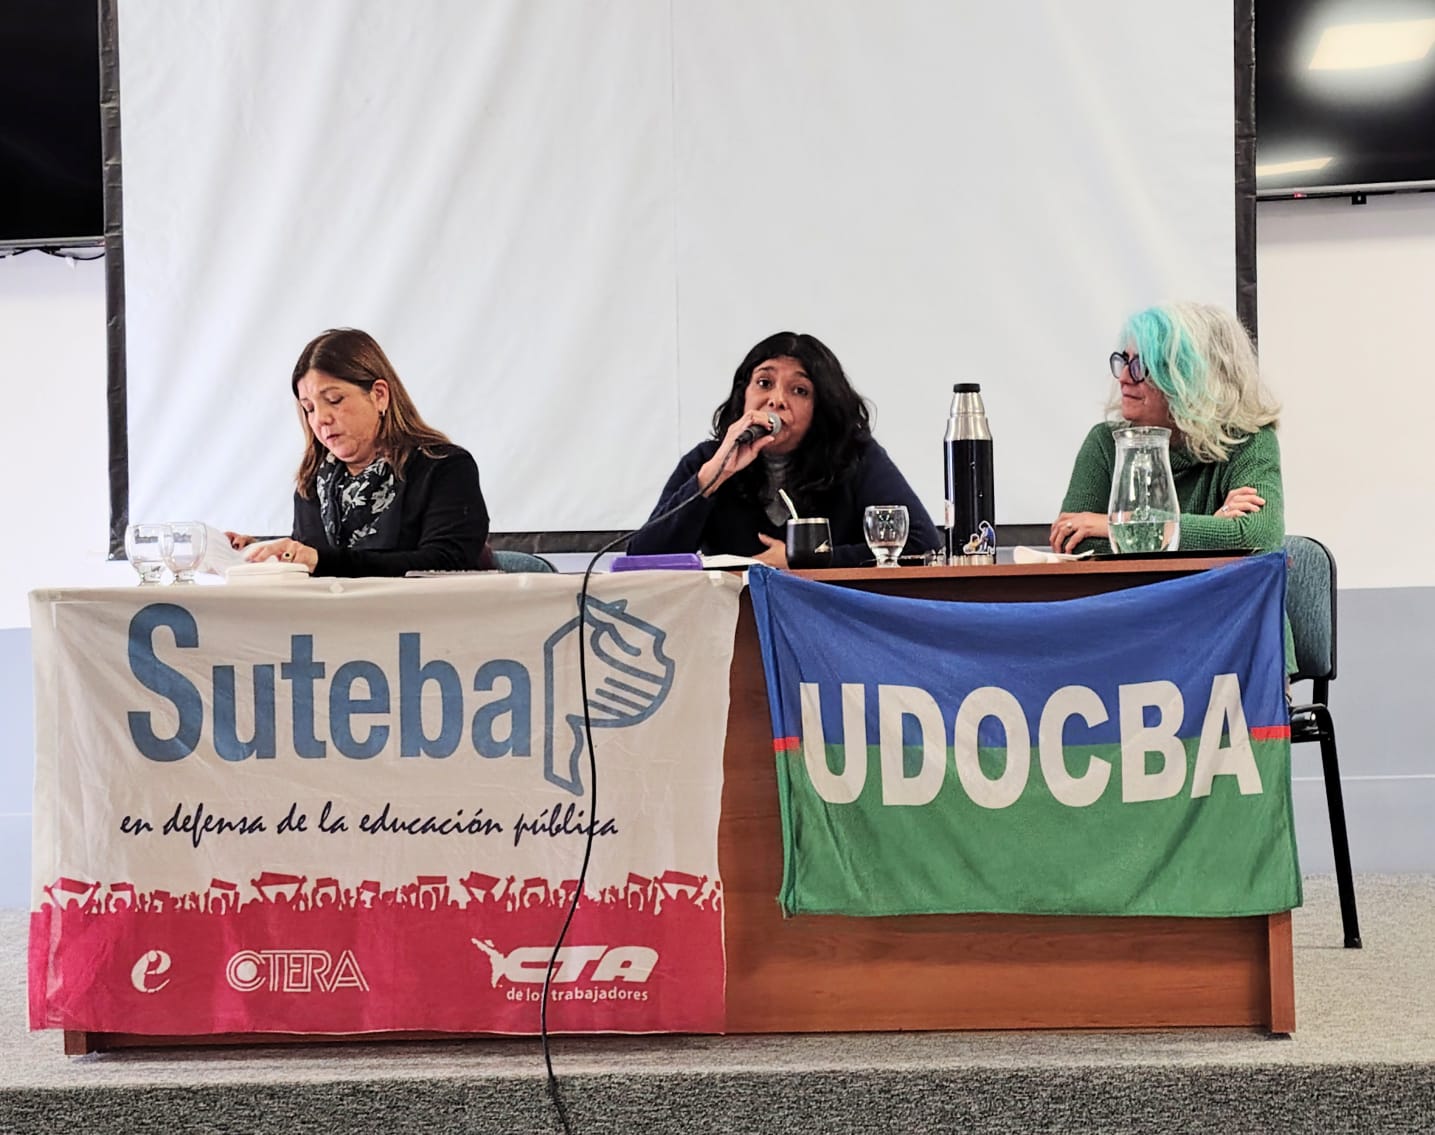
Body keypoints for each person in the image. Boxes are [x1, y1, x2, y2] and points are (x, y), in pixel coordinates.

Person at [629, 331, 939, 567]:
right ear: (743, 394)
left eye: (799, 390)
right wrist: (712, 478)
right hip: (738, 622)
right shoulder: (708, 460)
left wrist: (807, 560)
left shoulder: (855, 457)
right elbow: (642, 561)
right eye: (764, 383)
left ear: (820, 407)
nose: (776, 400)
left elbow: (921, 543)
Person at [231, 328, 494, 576]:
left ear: (379, 395)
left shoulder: (444, 467)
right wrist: (258, 552)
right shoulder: (313, 482)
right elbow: (311, 561)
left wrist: (320, 561)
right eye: (309, 408)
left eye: (334, 400)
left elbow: (446, 563)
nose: (320, 419)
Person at [1050, 302, 1283, 556]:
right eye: (1125, 361)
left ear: (1190, 378)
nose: (1124, 377)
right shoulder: (1106, 442)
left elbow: (1259, 536)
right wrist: (1212, 530)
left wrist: (1116, 523)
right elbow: (1072, 541)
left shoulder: (1249, 440)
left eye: (1141, 366)